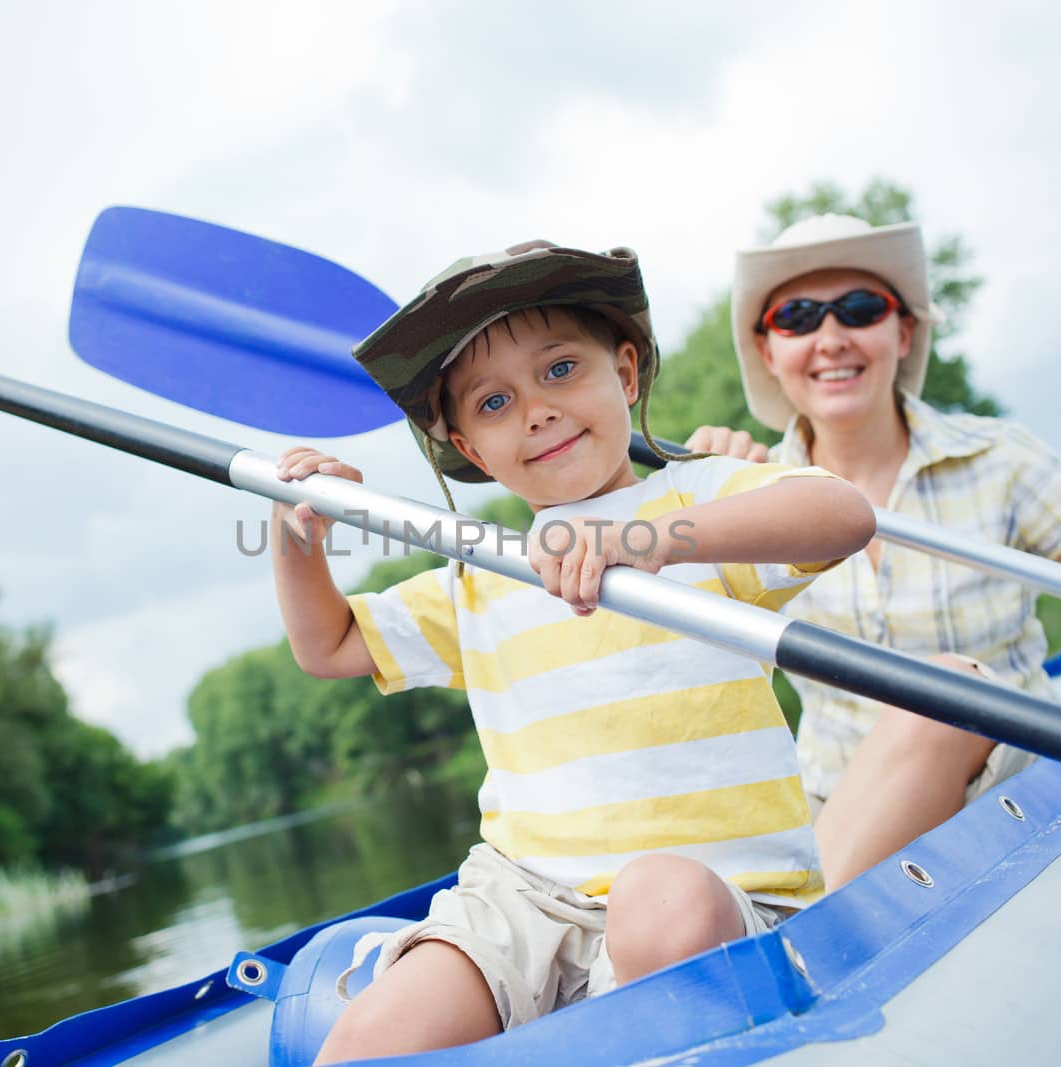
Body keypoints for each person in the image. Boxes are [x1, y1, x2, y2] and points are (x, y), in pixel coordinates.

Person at [267, 240, 876, 1063]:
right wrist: (296, 535)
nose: (536, 411)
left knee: (660, 900)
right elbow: (329, 644)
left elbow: (840, 513)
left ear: (625, 373)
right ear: (472, 452)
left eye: (559, 370)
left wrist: (647, 537)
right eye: (492, 403)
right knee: (370, 1039)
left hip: (713, 886)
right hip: (523, 898)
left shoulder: (694, 504)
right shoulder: (479, 566)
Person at [686, 213, 1061, 890]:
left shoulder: (1000, 460)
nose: (832, 337)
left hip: (1010, 795)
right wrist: (697, 511)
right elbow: (687, 685)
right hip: (835, 806)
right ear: (767, 350)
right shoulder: (744, 497)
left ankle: (805, 941)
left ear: (902, 331)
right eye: (799, 317)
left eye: (861, 309)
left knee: (946, 689)